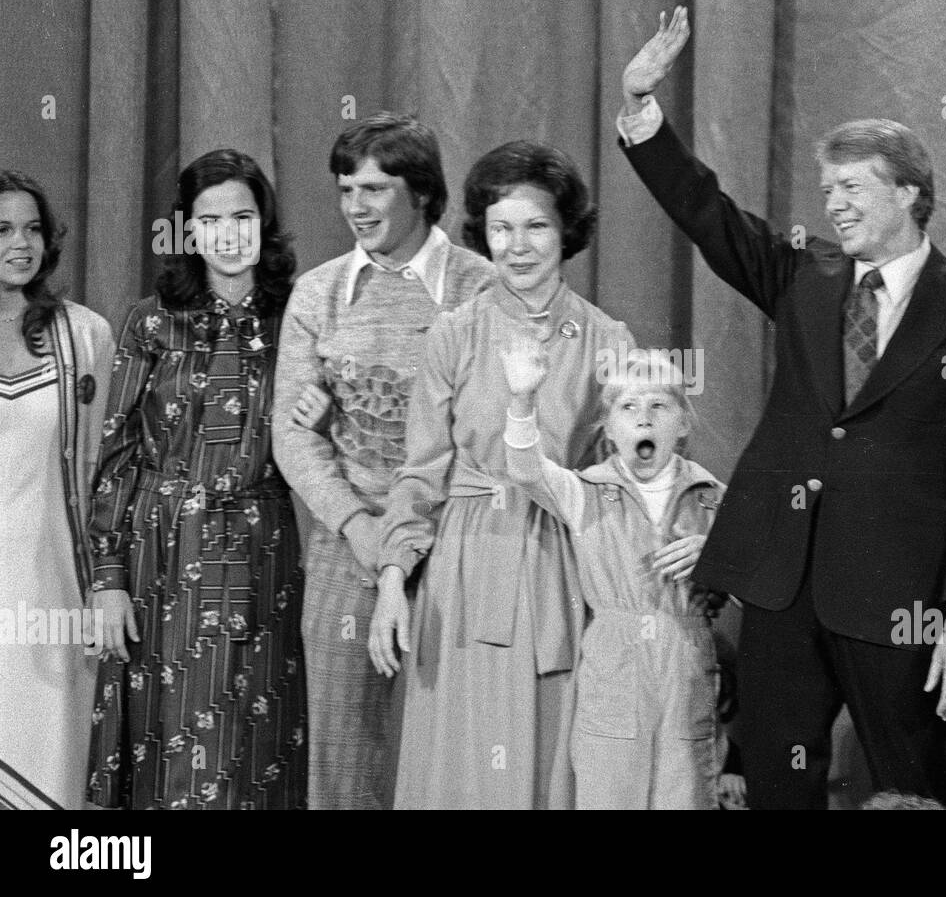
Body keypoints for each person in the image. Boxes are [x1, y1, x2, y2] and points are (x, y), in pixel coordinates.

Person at [617, 8, 946, 808]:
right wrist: (641, 112)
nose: (833, 203)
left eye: (853, 187)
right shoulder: (807, 276)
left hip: (897, 599)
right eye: (827, 187)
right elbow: (709, 216)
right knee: (776, 788)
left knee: (911, 790)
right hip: (783, 587)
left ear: (909, 193)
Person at [370, 141, 641, 808]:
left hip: (561, 572)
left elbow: (629, 481)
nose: (518, 246)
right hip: (461, 578)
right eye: (502, 229)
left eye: (536, 226)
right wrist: (391, 580)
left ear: (566, 231)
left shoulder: (610, 342)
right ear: (482, 234)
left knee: (551, 759)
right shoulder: (453, 335)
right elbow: (421, 474)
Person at [272, 113, 496, 809]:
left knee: (460, 748)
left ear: (422, 192)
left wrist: (410, 538)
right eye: (345, 190)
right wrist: (361, 531)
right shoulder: (318, 292)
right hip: (350, 545)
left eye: (374, 188)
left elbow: (483, 431)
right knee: (341, 757)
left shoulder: (478, 287)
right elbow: (292, 435)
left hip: (455, 537)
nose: (356, 207)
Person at [86, 150, 308, 809]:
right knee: (170, 737)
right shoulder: (153, 321)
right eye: (210, 220)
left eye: (243, 216)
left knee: (263, 732)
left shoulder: (297, 317)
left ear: (264, 223)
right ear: (187, 231)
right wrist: (108, 580)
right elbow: (117, 456)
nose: (229, 233)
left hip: (263, 550)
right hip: (163, 554)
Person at [501, 341, 724, 809]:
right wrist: (522, 399)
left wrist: (718, 553)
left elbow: (762, 580)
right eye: (628, 407)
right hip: (615, 669)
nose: (643, 418)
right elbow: (524, 469)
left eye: (659, 405)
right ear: (609, 428)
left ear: (682, 423)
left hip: (686, 666)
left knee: (687, 794)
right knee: (608, 793)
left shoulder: (715, 498)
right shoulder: (588, 492)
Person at [0, 171, 114, 809]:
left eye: (33, 228)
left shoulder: (85, 336)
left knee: (55, 771)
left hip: (57, 598)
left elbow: (108, 467)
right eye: (3, 229)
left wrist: (104, 583)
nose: (22, 243)